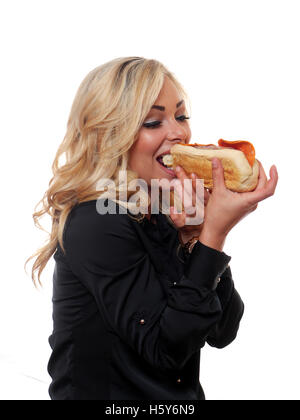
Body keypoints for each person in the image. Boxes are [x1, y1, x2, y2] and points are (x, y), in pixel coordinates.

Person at [25, 56, 278, 400]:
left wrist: (197, 237)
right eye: (153, 121)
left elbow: (222, 330)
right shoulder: (95, 221)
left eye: (181, 115)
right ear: (110, 135)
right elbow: (165, 350)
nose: (178, 132)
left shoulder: (160, 207)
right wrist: (213, 236)